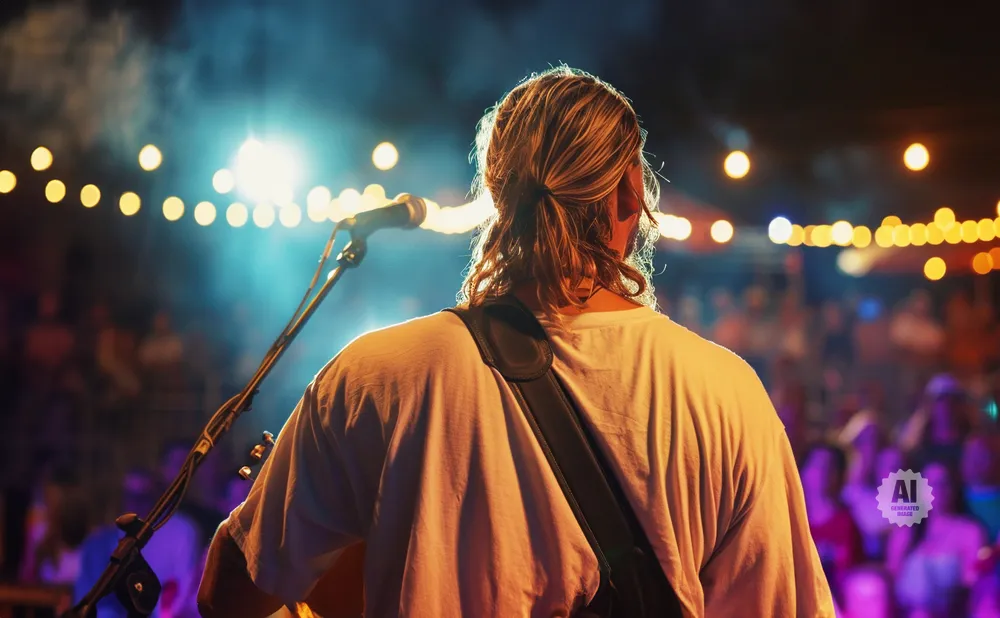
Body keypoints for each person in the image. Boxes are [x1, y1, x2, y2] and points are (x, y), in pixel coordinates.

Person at [198, 65, 834, 617]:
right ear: (631, 195)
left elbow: (229, 595)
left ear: (495, 196)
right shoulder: (727, 394)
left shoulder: (375, 378)